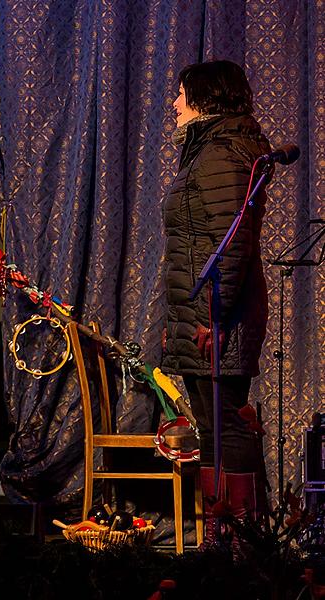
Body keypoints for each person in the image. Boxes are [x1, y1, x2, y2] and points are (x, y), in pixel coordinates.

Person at [161, 59, 271, 543]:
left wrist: (214, 317)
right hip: (201, 314)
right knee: (211, 430)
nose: (175, 102)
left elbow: (231, 243)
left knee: (227, 426)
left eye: (182, 93)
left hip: (219, 316)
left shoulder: (223, 154)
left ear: (206, 97)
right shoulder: (207, 150)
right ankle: (217, 540)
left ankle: (240, 541)